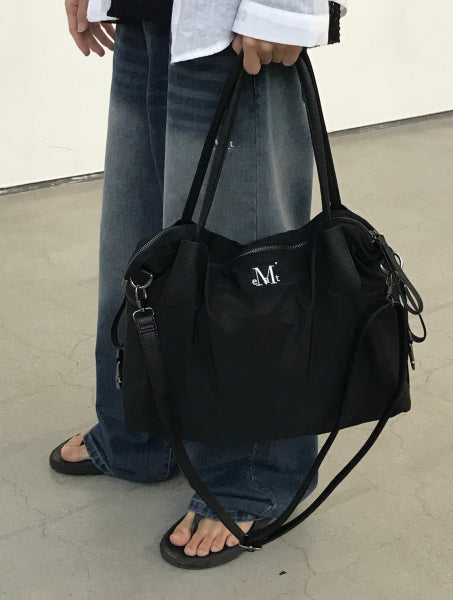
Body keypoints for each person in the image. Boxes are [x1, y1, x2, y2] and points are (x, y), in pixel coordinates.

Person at [50, 0, 347, 569]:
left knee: (241, 261)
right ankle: (142, 427)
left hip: (234, 23)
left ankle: (251, 472)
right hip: (148, 14)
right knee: (139, 242)